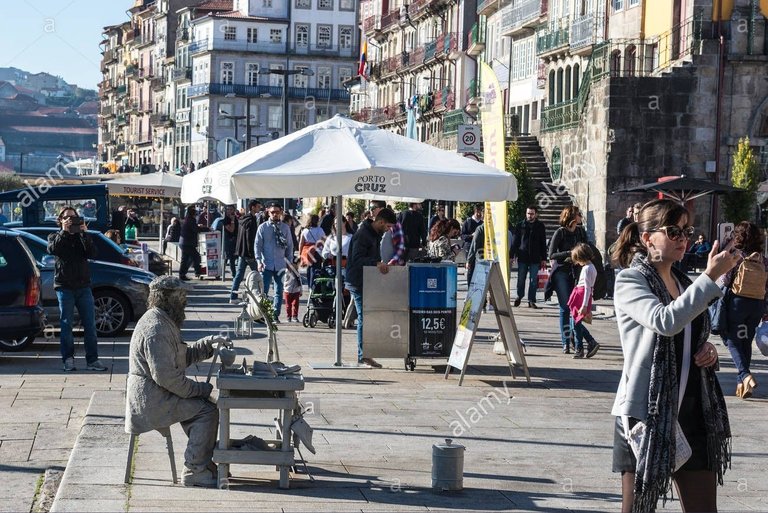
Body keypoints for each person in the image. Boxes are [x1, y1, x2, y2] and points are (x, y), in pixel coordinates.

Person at [610, 198, 736, 513]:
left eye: (686, 231)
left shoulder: (682, 281)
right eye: (673, 232)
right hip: (648, 415)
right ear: (647, 237)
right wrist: (710, 278)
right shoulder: (630, 280)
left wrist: (706, 349)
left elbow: (692, 333)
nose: (684, 239)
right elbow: (665, 322)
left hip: (693, 411)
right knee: (638, 509)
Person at [125, 275, 230, 488]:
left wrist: (208, 344)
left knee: (203, 406)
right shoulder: (156, 329)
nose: (186, 300)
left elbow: (180, 358)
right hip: (152, 401)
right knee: (206, 411)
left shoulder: (163, 321)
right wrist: (200, 389)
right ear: (166, 298)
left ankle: (200, 461)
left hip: (159, 394)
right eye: (181, 296)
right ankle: (195, 470)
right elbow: (168, 378)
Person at [47, 207, 107, 372]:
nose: (71, 220)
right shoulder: (55, 236)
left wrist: (84, 234)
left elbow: (93, 253)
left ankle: (92, 360)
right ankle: (68, 359)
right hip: (64, 287)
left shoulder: (82, 236)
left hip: (83, 286)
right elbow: (53, 249)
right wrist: (65, 232)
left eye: (74, 218)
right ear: (61, 220)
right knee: (66, 325)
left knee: (90, 325)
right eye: (67, 218)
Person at [718, 221, 768, 399]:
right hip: (757, 304)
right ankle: (742, 383)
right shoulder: (762, 259)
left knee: (731, 339)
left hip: (737, 302)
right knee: (745, 341)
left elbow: (725, 280)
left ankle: (745, 374)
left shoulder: (737, 256)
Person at [345, 207, 397, 368]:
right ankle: (364, 355)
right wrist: (376, 263)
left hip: (367, 279)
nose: (389, 230)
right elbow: (357, 258)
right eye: (388, 226)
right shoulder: (363, 234)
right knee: (364, 317)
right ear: (380, 222)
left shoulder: (374, 233)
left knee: (366, 316)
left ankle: (366, 353)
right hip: (358, 280)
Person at [548, 206, 588, 353]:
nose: (581, 217)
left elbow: (586, 248)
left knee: (575, 309)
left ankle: (577, 341)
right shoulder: (560, 232)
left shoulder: (580, 232)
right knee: (565, 308)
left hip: (577, 272)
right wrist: (569, 253)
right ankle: (565, 341)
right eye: (579, 214)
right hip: (562, 273)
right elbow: (552, 254)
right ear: (572, 216)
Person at [255, 203, 294, 323]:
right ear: (268, 212)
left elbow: (290, 246)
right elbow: (258, 245)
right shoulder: (263, 227)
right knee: (264, 291)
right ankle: (263, 314)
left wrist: (290, 262)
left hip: (280, 263)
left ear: (281, 212)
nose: (275, 214)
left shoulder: (285, 228)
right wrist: (259, 261)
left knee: (279, 291)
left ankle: (275, 314)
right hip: (267, 264)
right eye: (272, 212)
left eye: (277, 212)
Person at [566, 243, 600, 359]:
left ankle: (579, 347)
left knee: (575, 323)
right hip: (582, 296)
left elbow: (586, 287)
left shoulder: (586, 269)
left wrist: (584, 305)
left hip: (581, 297)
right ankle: (586, 342)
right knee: (575, 323)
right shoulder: (592, 267)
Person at [511, 205, 548, 309]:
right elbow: (515, 241)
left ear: (535, 214)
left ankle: (531, 300)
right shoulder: (520, 225)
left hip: (535, 257)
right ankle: (519, 295)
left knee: (533, 280)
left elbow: (542, 243)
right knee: (521, 279)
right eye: (528, 213)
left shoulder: (540, 226)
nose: (529, 215)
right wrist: (512, 255)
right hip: (523, 256)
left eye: (532, 214)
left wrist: (544, 258)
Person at [229, 201, 262, 304]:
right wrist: (252, 253)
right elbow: (250, 238)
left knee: (239, 275)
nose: (259, 209)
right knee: (258, 275)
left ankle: (233, 296)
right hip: (248, 252)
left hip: (241, 252)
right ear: (252, 208)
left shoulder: (243, 219)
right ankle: (259, 295)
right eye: (258, 207)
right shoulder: (251, 220)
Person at [299, 214, 326, 291]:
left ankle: (309, 285)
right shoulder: (320, 230)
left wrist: (300, 253)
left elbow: (301, 243)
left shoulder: (305, 230)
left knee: (309, 268)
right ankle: (314, 285)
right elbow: (324, 241)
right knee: (316, 268)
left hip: (307, 252)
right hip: (317, 251)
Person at [178, 205, 203, 281]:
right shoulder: (191, 219)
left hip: (184, 242)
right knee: (196, 257)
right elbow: (195, 229)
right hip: (187, 243)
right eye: (194, 210)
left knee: (186, 259)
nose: (195, 212)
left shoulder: (188, 219)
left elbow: (193, 228)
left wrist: (199, 226)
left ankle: (182, 274)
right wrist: (206, 228)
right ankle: (197, 272)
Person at [220, 205, 239, 278]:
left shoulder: (235, 218)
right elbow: (231, 229)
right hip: (228, 241)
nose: (230, 211)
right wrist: (232, 220)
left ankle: (224, 272)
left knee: (233, 258)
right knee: (229, 258)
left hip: (235, 241)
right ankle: (233, 274)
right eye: (228, 209)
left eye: (231, 210)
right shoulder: (225, 220)